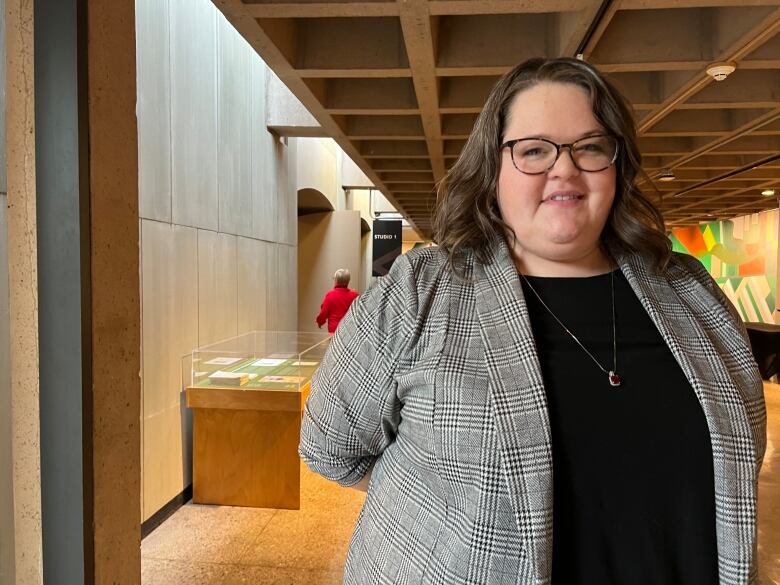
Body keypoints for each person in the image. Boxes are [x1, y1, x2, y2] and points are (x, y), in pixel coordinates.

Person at [300, 58, 767, 585]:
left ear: (617, 165)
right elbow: (331, 448)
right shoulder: (419, 292)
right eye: (534, 150)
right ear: (493, 170)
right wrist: (449, 518)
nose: (563, 169)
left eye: (589, 147)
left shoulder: (691, 292)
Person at [315, 268, 359, 334]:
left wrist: (320, 321)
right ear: (348, 281)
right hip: (350, 330)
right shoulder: (355, 295)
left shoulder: (330, 295)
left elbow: (324, 312)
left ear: (336, 280)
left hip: (334, 331)